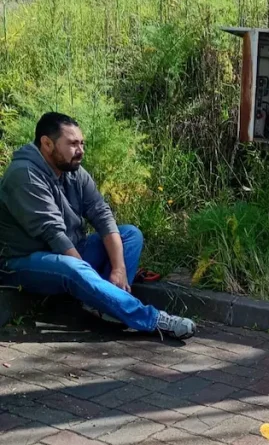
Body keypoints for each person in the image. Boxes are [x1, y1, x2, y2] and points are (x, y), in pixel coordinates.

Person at [0, 112, 196, 339]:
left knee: (130, 235)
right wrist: (84, 277)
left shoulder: (72, 170)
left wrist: (119, 269)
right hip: (22, 262)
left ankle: (107, 308)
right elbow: (53, 234)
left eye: (81, 143)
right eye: (72, 144)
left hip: (70, 253)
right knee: (73, 268)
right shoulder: (24, 175)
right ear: (46, 143)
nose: (80, 150)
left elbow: (102, 215)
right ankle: (151, 319)